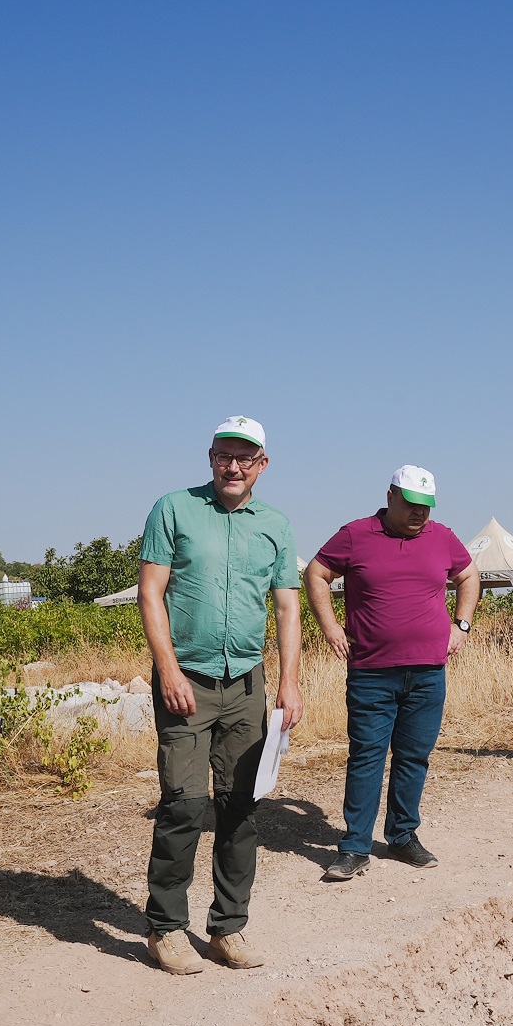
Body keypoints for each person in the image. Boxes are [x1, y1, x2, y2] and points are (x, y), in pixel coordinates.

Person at [135, 416, 303, 974]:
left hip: (248, 684)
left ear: (262, 464)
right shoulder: (174, 509)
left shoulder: (276, 525)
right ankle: (165, 929)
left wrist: (288, 682)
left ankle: (227, 929)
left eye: (245, 458)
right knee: (183, 804)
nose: (233, 467)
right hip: (187, 681)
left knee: (240, 806)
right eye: (224, 456)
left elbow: (287, 607)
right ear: (210, 458)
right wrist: (168, 671)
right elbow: (151, 593)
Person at [304, 465, 479, 882]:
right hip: (371, 673)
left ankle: (402, 836)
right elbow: (316, 573)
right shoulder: (355, 534)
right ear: (391, 496)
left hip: (428, 673)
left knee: (414, 757)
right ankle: (355, 847)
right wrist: (330, 627)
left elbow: (469, 575)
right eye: (412, 504)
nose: (421, 513)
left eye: (427, 506)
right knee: (367, 757)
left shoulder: (443, 536)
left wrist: (462, 625)